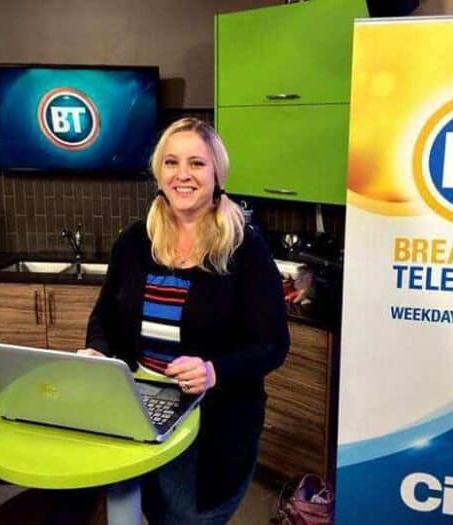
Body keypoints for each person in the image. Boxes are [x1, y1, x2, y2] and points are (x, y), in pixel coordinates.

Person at [80, 117, 290, 524]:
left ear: (217, 173)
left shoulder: (245, 248)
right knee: (143, 507)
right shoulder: (134, 241)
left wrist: (214, 370)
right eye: (172, 162)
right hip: (141, 408)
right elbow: (104, 315)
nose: (183, 175)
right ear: (159, 172)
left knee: (189, 517)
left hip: (216, 424)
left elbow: (273, 344)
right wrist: (96, 351)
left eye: (197, 163)